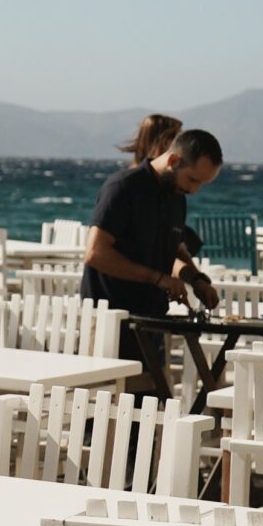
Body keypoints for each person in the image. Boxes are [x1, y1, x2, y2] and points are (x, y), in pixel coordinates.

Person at [80, 127, 225, 394]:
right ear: (173, 160)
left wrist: (196, 280)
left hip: (152, 321)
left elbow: (173, 251)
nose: (194, 190)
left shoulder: (177, 197)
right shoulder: (123, 187)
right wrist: (158, 278)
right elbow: (95, 253)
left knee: (148, 408)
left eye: (201, 184)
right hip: (111, 322)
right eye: (193, 180)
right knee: (107, 411)